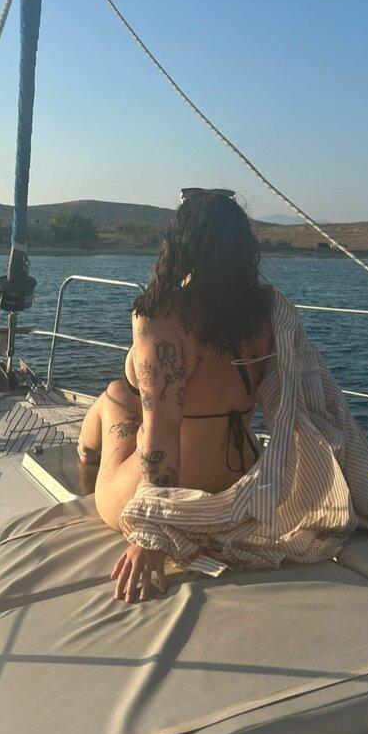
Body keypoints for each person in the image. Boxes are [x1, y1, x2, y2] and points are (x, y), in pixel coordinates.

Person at [78, 188, 276, 603]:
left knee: (115, 396)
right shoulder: (267, 314)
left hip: (178, 502)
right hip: (239, 491)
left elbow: (163, 427)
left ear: (178, 245)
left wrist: (151, 532)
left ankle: (83, 470)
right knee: (131, 402)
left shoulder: (161, 317)